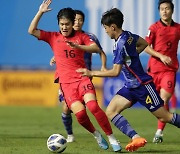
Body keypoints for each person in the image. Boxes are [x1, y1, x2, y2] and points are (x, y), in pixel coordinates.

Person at [77, 8, 180, 152]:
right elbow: (144, 43)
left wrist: (91, 72)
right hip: (131, 86)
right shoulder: (128, 35)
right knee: (111, 111)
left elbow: (115, 72)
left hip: (143, 85)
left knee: (165, 117)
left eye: (106, 28)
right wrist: (132, 56)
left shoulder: (120, 45)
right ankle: (135, 137)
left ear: (113, 27)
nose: (106, 32)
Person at [28, 0, 121, 152]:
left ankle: (111, 137)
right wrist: (40, 12)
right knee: (80, 115)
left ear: (73, 23)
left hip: (82, 78)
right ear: (59, 24)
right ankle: (96, 134)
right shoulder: (53, 37)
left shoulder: (81, 37)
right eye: (61, 24)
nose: (64, 27)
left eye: (67, 24)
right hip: (67, 84)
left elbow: (95, 48)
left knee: (93, 106)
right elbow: (31, 31)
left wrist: (78, 46)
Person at [49, 9, 107, 143]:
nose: (78, 22)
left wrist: (103, 66)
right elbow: (62, 51)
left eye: (80, 20)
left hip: (84, 77)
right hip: (67, 78)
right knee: (66, 108)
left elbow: (100, 52)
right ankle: (70, 134)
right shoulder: (63, 37)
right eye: (75, 20)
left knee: (84, 108)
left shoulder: (88, 37)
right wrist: (55, 57)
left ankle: (99, 133)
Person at [145, 0, 180, 143]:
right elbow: (145, 47)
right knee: (155, 103)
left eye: (167, 9)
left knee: (164, 99)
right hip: (153, 71)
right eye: (162, 9)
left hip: (169, 71)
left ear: (172, 10)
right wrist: (160, 56)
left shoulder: (178, 28)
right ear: (159, 11)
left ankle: (159, 132)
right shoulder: (153, 28)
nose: (164, 11)